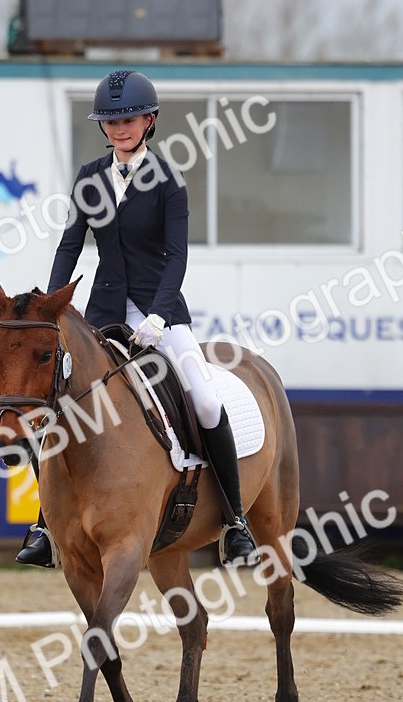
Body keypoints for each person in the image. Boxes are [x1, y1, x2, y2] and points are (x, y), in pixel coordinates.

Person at [16, 68, 258, 569]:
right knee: (61, 403)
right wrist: (49, 304)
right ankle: (44, 524)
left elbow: (176, 258)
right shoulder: (89, 177)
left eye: (128, 120)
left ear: (149, 121)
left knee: (207, 400)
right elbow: (71, 244)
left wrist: (158, 316)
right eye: (110, 121)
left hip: (161, 313)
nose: (119, 129)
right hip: (101, 313)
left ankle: (235, 521)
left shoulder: (169, 181)